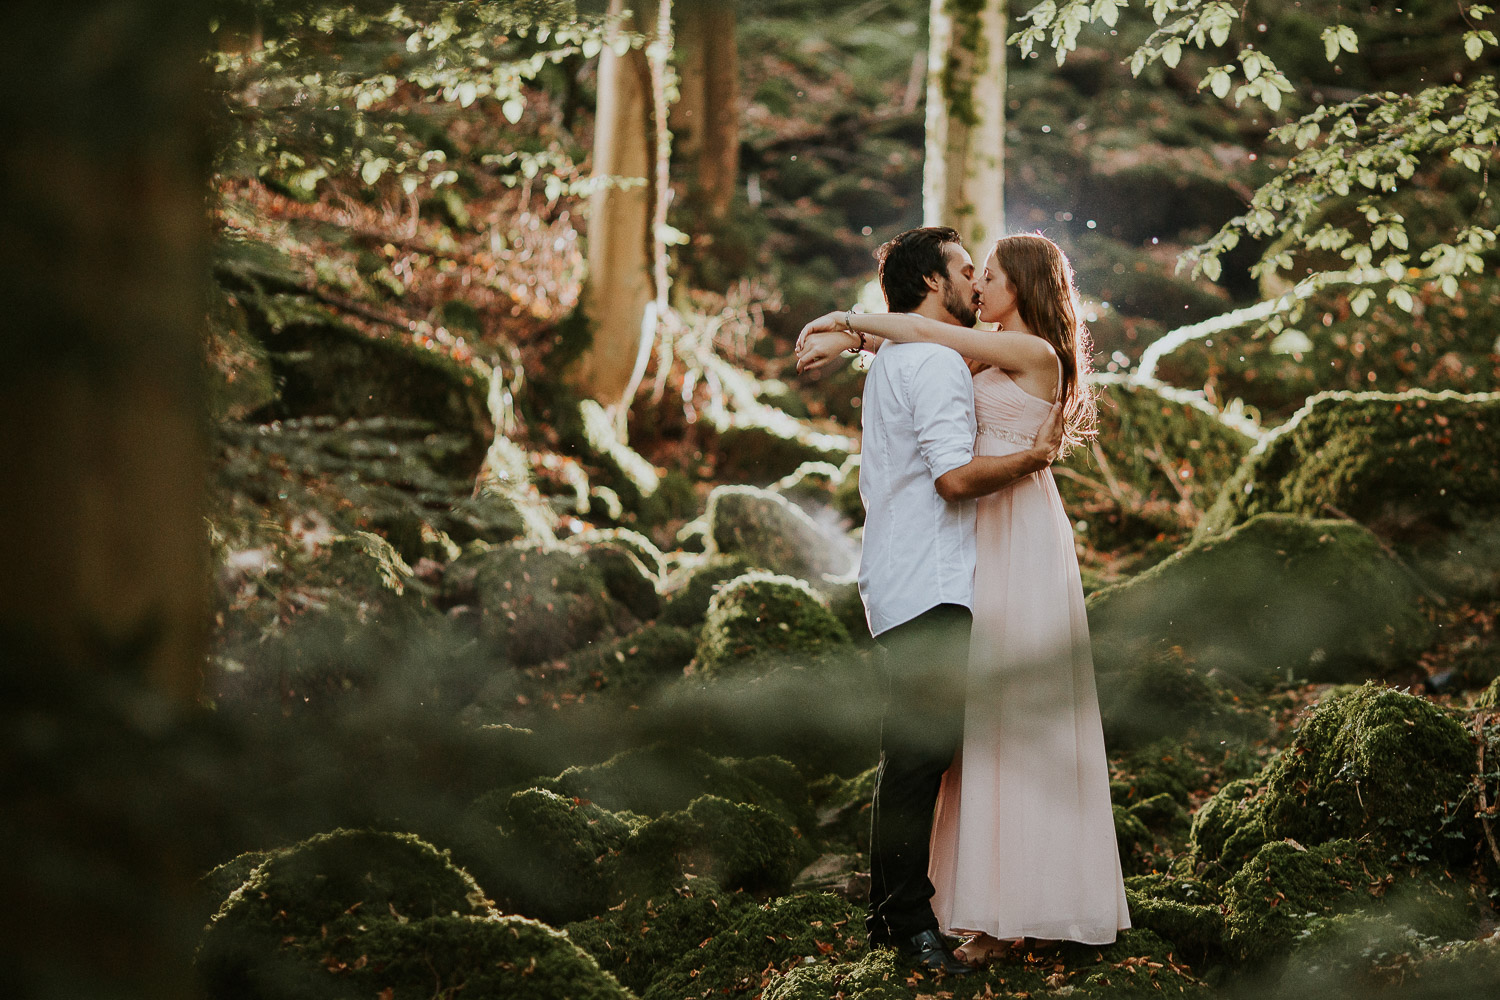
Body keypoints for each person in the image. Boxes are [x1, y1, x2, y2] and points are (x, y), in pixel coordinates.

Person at [796, 232, 1130, 965]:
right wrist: (845, 342)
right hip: (976, 543)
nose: (978, 285)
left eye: (990, 275)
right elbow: (916, 353)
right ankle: (990, 902)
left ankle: (1037, 903)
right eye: (970, 274)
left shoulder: (1035, 352)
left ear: (1025, 286)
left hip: (1019, 534)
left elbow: (917, 332)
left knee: (1023, 720)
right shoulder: (977, 350)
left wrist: (845, 324)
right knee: (981, 734)